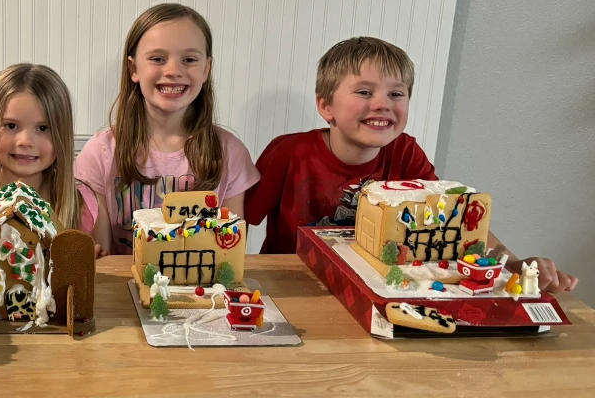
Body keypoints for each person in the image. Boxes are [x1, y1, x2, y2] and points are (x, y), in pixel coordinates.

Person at [244, 36, 577, 292]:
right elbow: (239, 221)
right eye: (364, 92)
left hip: (375, 286)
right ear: (326, 106)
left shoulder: (405, 152)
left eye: (396, 94)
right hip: (296, 287)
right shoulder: (288, 152)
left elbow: (456, 219)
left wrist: (514, 264)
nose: (382, 104)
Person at [75, 3, 260, 255]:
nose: (173, 71)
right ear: (134, 69)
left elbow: (229, 254)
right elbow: (100, 259)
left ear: (206, 69)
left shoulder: (231, 153)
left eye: (189, 60)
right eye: (158, 59)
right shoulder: (99, 153)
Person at [0, 63, 98, 253]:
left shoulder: (81, 206)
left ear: (62, 136)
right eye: (11, 126)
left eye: (42, 128)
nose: (25, 141)